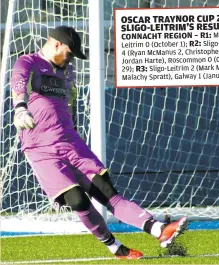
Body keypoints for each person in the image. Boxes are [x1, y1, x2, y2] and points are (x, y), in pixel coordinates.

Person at [11, 26, 188, 259]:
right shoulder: (28, 62)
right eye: (69, 52)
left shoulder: (68, 72)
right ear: (56, 45)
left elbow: (69, 103)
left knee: (107, 191)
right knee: (77, 200)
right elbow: (18, 84)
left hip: (70, 142)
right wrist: (20, 108)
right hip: (40, 149)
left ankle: (159, 230)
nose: (71, 58)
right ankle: (115, 247)